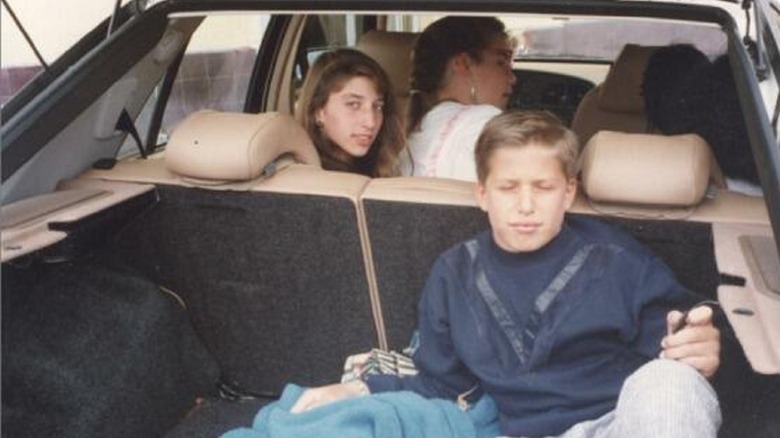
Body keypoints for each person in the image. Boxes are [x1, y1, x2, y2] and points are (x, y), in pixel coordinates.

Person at [291, 111, 722, 438]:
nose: (526, 205)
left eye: (544, 187)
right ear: (482, 193)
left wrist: (701, 344)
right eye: (508, 188)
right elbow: (440, 380)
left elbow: (682, 341)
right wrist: (358, 390)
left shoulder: (616, 260)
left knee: (670, 379)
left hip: (616, 424)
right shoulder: (455, 272)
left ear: (569, 192)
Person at [402, 16, 517, 180]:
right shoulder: (483, 123)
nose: (513, 78)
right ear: (463, 63)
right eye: (501, 62)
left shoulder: (409, 131)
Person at [296, 48, 406, 177]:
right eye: (353, 105)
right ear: (318, 111)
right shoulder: (312, 179)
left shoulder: (381, 166)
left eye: (377, 106)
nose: (371, 122)